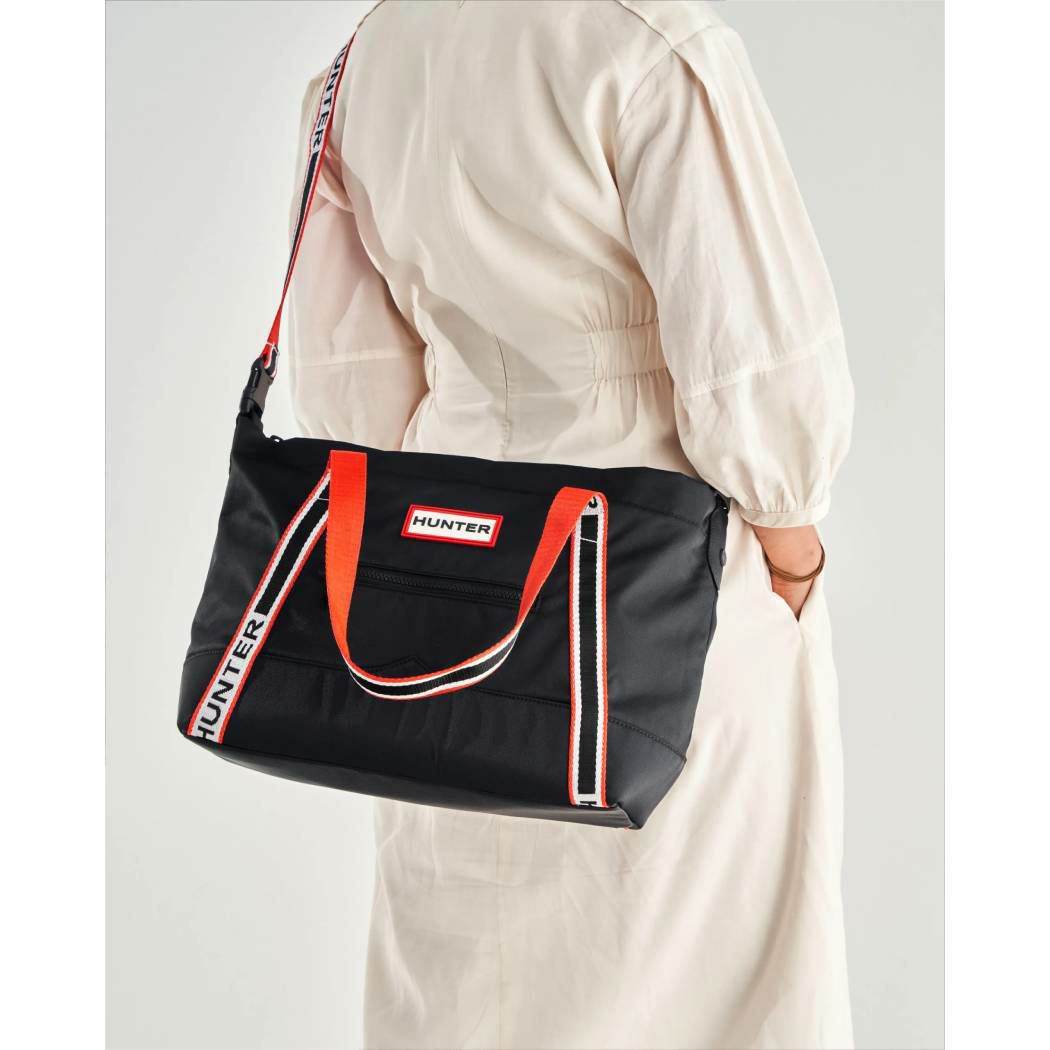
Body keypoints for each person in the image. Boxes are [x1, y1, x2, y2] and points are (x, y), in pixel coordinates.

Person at [288, 2, 854, 1047]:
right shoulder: (654, 41)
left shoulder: (366, 58)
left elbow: (350, 393)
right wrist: (796, 555)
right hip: (662, 583)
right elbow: (759, 369)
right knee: (702, 987)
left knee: (465, 989)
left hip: (446, 612)